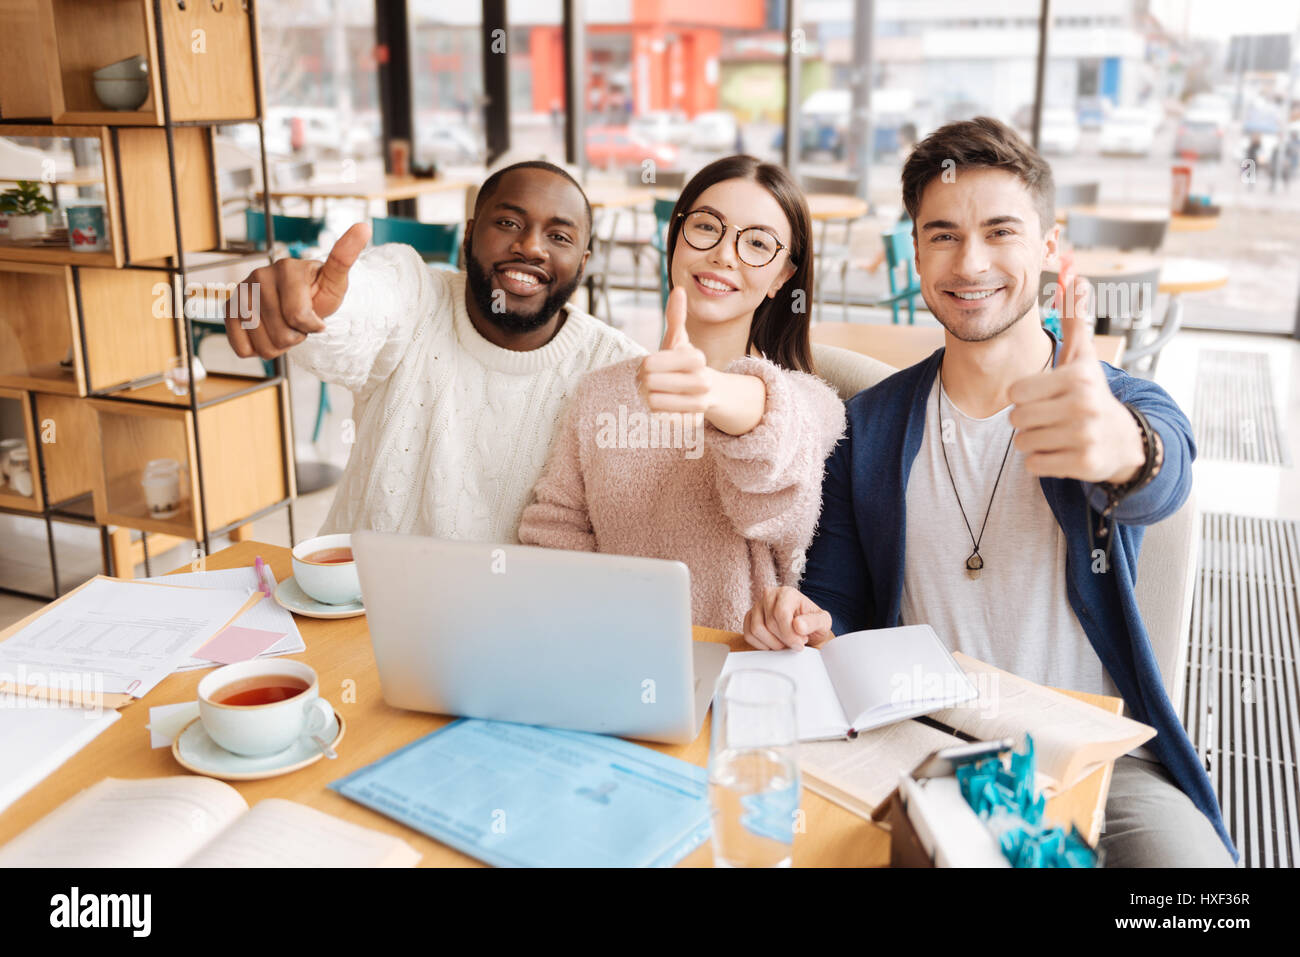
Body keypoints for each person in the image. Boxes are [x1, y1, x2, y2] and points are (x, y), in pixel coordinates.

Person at [742, 118, 1237, 867]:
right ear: (914, 251)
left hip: (1102, 767)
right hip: (930, 750)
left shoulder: (1114, 403)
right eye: (942, 234)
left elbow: (1161, 472)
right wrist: (802, 617)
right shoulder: (868, 427)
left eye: (1000, 231)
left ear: (1048, 245)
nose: (969, 261)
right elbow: (835, 606)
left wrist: (1123, 448)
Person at [223, 161, 643, 541]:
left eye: (559, 236)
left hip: (514, 621)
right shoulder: (415, 295)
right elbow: (361, 308)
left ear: (584, 263)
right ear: (469, 234)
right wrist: (310, 304)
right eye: (509, 222)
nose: (531, 247)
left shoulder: (613, 367)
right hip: (356, 604)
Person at [518, 156, 845, 631]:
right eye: (707, 227)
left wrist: (708, 390)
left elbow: (772, 487)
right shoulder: (599, 393)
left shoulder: (812, 405)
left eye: (757, 243)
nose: (725, 255)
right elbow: (556, 533)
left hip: (743, 673)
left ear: (782, 277)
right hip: (613, 664)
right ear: (675, 238)